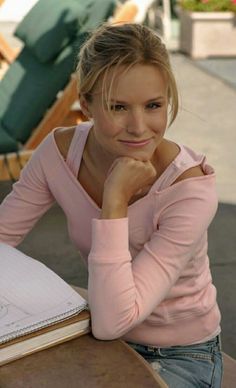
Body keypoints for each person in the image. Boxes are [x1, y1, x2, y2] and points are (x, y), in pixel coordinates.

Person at [0, 23, 223, 386]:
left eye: (153, 105)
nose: (138, 127)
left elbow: (114, 322)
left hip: (182, 355)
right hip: (93, 328)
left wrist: (114, 201)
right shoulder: (59, 152)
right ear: (86, 105)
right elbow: (2, 237)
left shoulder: (189, 190)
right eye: (118, 107)